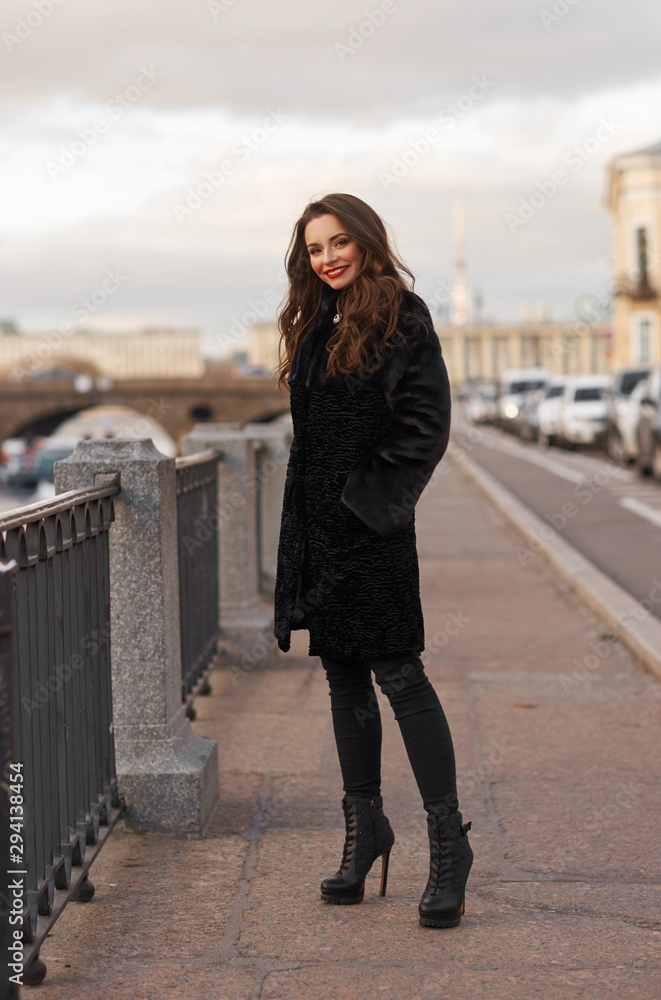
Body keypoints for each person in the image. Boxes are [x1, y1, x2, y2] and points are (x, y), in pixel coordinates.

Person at [273, 193, 473, 927]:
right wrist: (309, 528)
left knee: (400, 676)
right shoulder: (314, 321)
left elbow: (426, 426)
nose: (327, 257)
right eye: (314, 248)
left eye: (337, 243)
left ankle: (449, 847)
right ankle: (365, 833)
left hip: (372, 528)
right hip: (319, 535)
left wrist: (365, 505)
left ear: (364, 240)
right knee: (342, 679)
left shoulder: (401, 314)